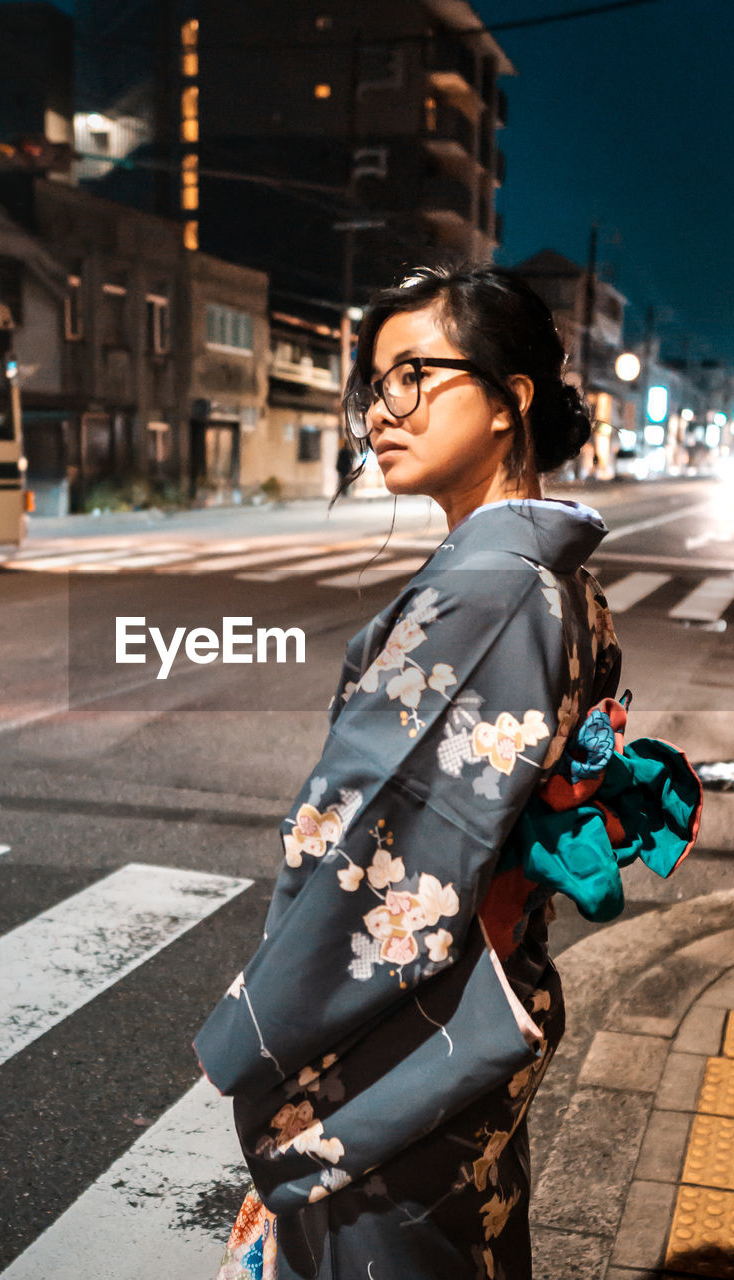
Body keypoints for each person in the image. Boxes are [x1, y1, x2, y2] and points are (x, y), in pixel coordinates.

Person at [194, 264, 701, 1280]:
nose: (383, 409)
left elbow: (371, 841)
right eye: (375, 383)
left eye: (414, 374)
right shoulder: (555, 582)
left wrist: (273, 1047)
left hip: (408, 1034)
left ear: (512, 399)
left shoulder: (493, 592)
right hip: (475, 1000)